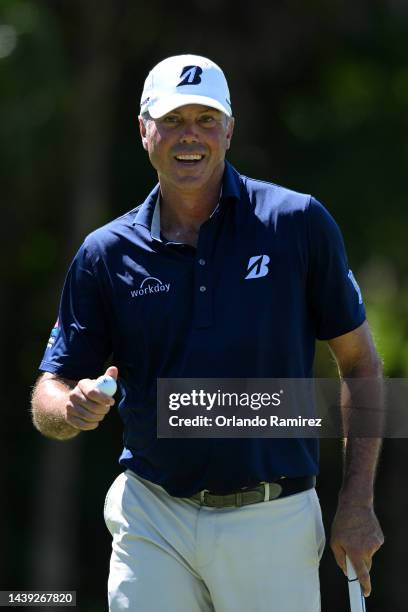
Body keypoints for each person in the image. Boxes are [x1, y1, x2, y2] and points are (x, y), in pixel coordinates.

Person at [31, 54, 384, 612]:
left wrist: (357, 501)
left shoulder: (297, 223)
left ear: (229, 130)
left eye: (205, 119)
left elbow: (361, 363)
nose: (188, 136)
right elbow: (50, 387)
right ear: (144, 129)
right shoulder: (106, 252)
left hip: (273, 517)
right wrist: (67, 408)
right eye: (172, 120)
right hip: (153, 513)